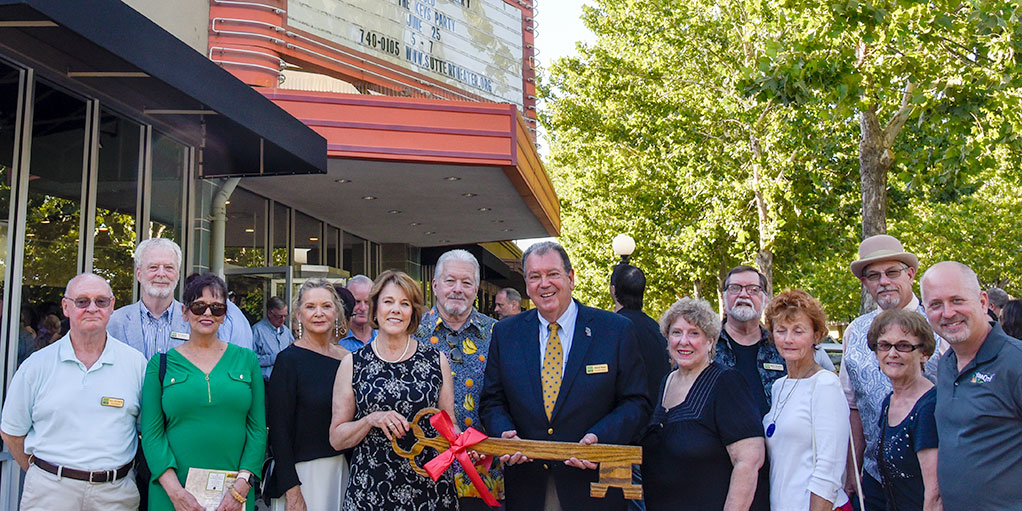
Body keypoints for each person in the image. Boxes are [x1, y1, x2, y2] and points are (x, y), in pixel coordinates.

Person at [479, 241, 650, 511]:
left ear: (570, 278)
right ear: (526, 284)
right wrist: (503, 434)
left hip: (594, 487)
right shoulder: (505, 334)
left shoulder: (615, 331)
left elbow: (636, 403)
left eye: (553, 274)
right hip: (528, 487)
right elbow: (492, 401)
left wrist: (599, 438)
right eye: (535, 276)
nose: (544, 283)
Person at [1, 273, 147, 511]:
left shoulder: (135, 364)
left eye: (100, 301)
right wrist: (46, 476)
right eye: (82, 301)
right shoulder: (37, 365)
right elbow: (11, 433)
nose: (92, 308)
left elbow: (146, 429)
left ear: (111, 307)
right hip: (49, 494)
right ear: (66, 307)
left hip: (115, 496)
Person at [330, 270, 458, 510]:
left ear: (413, 312)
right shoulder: (353, 364)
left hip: (430, 491)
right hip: (371, 493)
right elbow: (337, 438)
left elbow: (450, 428)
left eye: (404, 303)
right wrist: (371, 419)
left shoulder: (436, 360)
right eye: (388, 302)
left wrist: (468, 449)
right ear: (375, 308)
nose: (396, 309)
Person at [140, 273, 266, 511]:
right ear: (185, 312)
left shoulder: (247, 360)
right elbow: (151, 433)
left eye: (217, 308)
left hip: (234, 495)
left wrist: (243, 483)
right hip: (173, 494)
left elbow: (258, 428)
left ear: (225, 314)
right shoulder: (161, 364)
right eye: (199, 306)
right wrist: (176, 492)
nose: (207, 313)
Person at [841, 235, 943, 511]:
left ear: (910, 274)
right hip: (874, 478)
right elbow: (853, 407)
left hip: (931, 478)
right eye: (873, 276)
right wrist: (853, 468)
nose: (883, 281)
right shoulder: (855, 332)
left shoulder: (939, 324)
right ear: (865, 284)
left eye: (892, 272)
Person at [642, 297, 765, 511]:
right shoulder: (668, 380)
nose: (683, 341)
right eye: (676, 332)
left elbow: (749, 461)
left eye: (694, 333)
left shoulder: (726, 383)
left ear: (710, 341)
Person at [920, 261, 1022, 510]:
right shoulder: (946, 365)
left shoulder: (1015, 363)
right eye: (936, 304)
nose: (947, 312)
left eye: (957, 300)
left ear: (983, 302)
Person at [414, 249, 503, 510]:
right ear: (435, 285)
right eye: (450, 281)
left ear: (476, 289)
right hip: (424, 472)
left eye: (466, 282)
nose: (458, 289)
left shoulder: (498, 334)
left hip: (484, 473)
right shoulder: (410, 333)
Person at [265, 279, 350, 511]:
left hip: (344, 471)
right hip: (303, 477)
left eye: (326, 306)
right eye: (311, 307)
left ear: (337, 313)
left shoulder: (348, 360)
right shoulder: (288, 361)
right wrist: (292, 490)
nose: (319, 313)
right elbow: (279, 432)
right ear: (299, 315)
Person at [763, 289, 850, 511]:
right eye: (781, 331)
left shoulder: (825, 385)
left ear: (816, 335)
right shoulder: (779, 386)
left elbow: (829, 470)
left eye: (798, 331)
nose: (788, 339)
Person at [715, 266, 834, 418]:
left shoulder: (787, 345)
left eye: (753, 289)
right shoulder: (705, 346)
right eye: (735, 288)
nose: (743, 294)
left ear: (765, 299)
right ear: (724, 298)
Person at [108, 238, 253, 359]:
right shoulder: (114, 323)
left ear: (177, 274)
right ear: (139, 274)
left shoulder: (198, 320)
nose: (161, 274)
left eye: (169, 268)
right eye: (153, 267)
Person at [866, 309, 941, 511]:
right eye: (884, 345)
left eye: (903, 346)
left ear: (924, 353)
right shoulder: (889, 402)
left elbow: (935, 495)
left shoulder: (929, 407)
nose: (892, 353)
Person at [610, 264, 670, 420]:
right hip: (658, 422)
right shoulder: (657, 329)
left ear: (613, 290)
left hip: (628, 425)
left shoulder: (613, 329)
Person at [252, 296, 294, 382]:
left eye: (285, 316)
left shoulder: (286, 331)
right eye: (279, 316)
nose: (283, 320)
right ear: (270, 314)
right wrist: (274, 358)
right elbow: (251, 360)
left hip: (285, 382)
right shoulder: (257, 331)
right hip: (266, 383)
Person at [337, 274, 377, 351]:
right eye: (357, 302)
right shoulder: (337, 340)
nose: (363, 308)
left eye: (367, 302)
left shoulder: (384, 336)